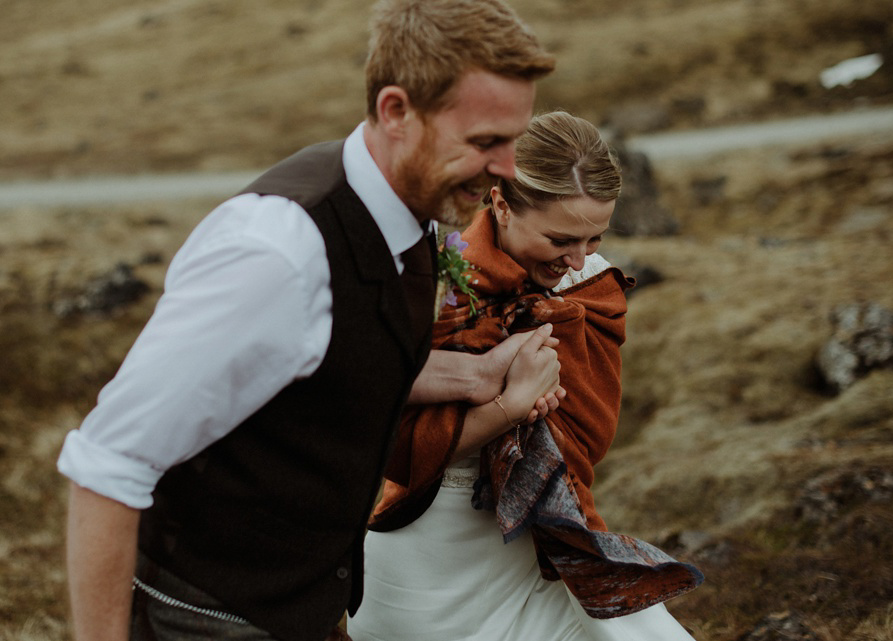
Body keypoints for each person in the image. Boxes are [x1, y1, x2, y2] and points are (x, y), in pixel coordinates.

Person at [55, 2, 557, 640]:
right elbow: (108, 463)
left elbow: (328, 361)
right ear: (396, 112)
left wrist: (472, 375)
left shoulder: (416, 203)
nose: (508, 169)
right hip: (205, 618)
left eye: (513, 138)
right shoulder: (277, 254)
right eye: (485, 142)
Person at [347, 111, 704, 641]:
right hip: (430, 571)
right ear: (500, 203)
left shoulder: (588, 286)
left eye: (595, 237)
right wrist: (507, 407)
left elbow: (591, 436)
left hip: (544, 548)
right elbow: (393, 449)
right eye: (561, 238)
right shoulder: (434, 284)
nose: (578, 258)